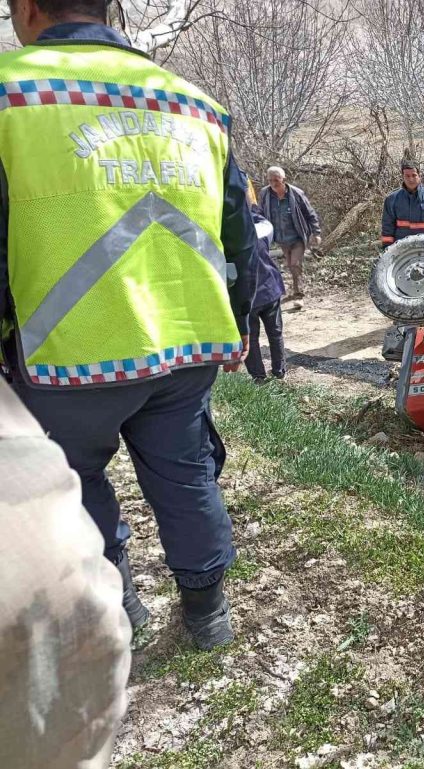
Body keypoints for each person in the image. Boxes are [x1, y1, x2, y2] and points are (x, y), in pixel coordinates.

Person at [0, 0, 256, 650]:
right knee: (186, 472)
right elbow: (238, 237)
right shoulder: (195, 104)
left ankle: (121, 608)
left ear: (27, 10)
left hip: (66, 353)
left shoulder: (12, 94)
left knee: (76, 479)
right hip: (185, 339)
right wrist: (242, 315)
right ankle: (208, 614)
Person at [0, 379, 131, 769]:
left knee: (86, 472)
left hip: (67, 371)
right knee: (184, 475)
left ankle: (142, 601)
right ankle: (207, 612)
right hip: (186, 356)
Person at [258, 165, 321, 299]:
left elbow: (310, 213)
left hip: (297, 236)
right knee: (291, 265)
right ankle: (295, 288)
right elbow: (261, 213)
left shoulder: (296, 194)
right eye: (270, 180)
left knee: (295, 264)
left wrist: (316, 233)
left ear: (284, 179)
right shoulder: (265, 194)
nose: (273, 183)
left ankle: (298, 294)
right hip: (281, 238)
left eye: (276, 180)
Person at [245, 181, 287, 381]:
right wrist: (252, 207)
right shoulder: (263, 227)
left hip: (246, 295)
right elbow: (262, 222)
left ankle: (258, 377)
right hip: (269, 289)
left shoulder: (226, 233)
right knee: (275, 333)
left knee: (251, 338)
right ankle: (279, 372)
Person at [380, 159, 424, 247]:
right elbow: (387, 228)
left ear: (419, 176)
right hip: (401, 250)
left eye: (414, 175)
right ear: (402, 177)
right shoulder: (392, 200)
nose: (411, 179)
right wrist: (387, 250)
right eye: (407, 176)